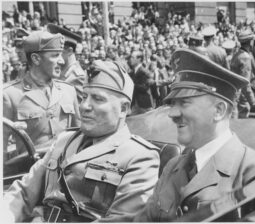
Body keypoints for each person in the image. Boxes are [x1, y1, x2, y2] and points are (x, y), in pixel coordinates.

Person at [4, 60, 160, 222]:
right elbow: (23, 193)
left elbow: (121, 220)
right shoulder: (64, 140)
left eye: (98, 99)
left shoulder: (140, 157)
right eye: (84, 96)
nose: (84, 105)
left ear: (123, 108)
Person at [135, 49, 255, 222]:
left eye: (184, 103)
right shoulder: (173, 166)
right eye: (173, 104)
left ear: (218, 110)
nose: (172, 113)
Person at [3, 31, 80, 154]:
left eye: (61, 55)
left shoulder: (68, 91)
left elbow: (80, 136)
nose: (61, 61)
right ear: (36, 59)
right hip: (29, 170)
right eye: (55, 55)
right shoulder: (9, 95)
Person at [47, 23, 86, 103]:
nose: (53, 54)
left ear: (69, 51)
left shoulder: (78, 78)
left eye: (57, 51)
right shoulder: (61, 72)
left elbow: (80, 112)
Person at [230, 29, 255, 118]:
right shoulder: (245, 57)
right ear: (250, 42)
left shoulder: (237, 54)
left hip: (233, 93)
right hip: (241, 98)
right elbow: (245, 83)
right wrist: (253, 102)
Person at [129, 50, 156, 114]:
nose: (130, 59)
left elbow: (144, 88)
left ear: (139, 59)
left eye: (132, 57)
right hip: (134, 104)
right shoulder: (132, 72)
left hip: (144, 105)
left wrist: (132, 84)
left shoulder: (144, 72)